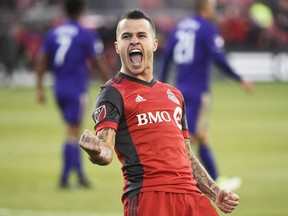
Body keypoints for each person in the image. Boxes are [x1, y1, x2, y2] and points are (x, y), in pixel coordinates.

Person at [79, 9, 240, 215]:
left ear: (154, 44)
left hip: (192, 197)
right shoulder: (112, 93)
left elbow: (186, 153)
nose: (134, 41)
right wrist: (96, 152)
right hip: (150, 197)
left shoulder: (173, 94)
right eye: (126, 36)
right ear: (117, 47)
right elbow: (106, 150)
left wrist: (215, 191)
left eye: (141, 35)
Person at [159, 0, 253, 190]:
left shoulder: (180, 27)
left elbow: (167, 56)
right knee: (188, 138)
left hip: (179, 90)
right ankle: (169, 178)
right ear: (206, 7)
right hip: (197, 91)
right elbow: (218, 57)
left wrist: (160, 84)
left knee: (202, 134)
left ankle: (216, 179)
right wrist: (239, 78)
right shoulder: (207, 29)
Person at [35, 0, 110, 189]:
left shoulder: (54, 32)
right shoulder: (86, 33)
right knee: (72, 131)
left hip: (59, 88)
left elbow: (42, 59)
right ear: (82, 10)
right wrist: (110, 85)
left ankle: (80, 175)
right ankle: (65, 178)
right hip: (76, 87)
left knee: (74, 129)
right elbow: (98, 61)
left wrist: (39, 87)